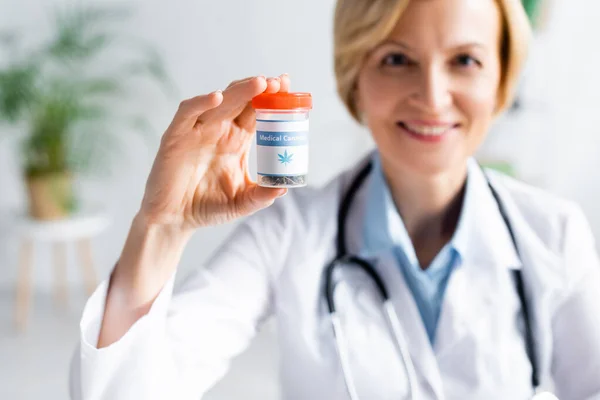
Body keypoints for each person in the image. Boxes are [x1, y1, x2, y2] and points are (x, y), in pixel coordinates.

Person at [70, 0, 600, 399]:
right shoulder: (288, 233)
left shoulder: (554, 233)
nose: (433, 96)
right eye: (397, 59)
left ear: (501, 81)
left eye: (465, 60)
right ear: (354, 80)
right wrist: (163, 226)